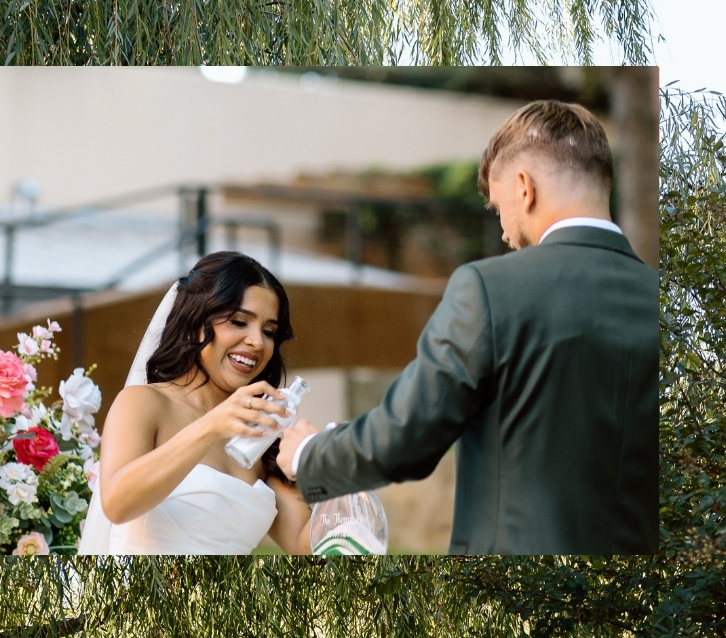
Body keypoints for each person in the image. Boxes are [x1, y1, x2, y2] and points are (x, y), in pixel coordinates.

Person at [278, 101, 658, 556]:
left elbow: (406, 437)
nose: (505, 233)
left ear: (524, 189)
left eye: (499, 209)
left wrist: (310, 453)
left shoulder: (490, 288)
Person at [80, 252, 313, 555]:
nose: (257, 342)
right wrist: (211, 426)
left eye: (269, 332)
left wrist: (339, 471)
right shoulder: (144, 402)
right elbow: (117, 503)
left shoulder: (259, 440)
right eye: (239, 321)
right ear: (196, 322)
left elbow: (308, 547)